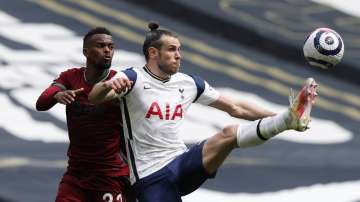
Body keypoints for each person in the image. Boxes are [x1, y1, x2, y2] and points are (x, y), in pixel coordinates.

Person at [88, 22, 318, 202]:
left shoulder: (188, 83)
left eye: (179, 50)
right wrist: (108, 85)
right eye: (171, 50)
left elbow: (235, 107)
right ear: (153, 53)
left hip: (181, 162)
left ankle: (288, 119)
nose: (178, 55)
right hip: (150, 178)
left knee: (228, 134)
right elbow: (95, 97)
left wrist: (277, 114)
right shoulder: (132, 78)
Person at [36, 27, 135, 202]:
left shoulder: (118, 82)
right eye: (101, 46)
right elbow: (41, 103)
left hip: (109, 176)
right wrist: (56, 95)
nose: (107, 51)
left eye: (111, 47)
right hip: (76, 175)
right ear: (86, 52)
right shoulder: (70, 78)